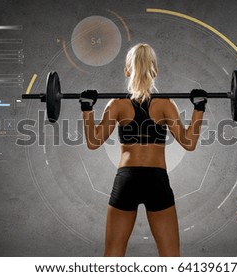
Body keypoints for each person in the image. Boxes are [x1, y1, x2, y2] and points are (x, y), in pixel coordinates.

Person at [79, 43, 206, 256]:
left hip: (127, 180)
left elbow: (93, 142)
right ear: (155, 70)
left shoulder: (117, 104)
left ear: (127, 70)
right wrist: (199, 108)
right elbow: (189, 143)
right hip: (156, 180)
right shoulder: (165, 104)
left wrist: (87, 108)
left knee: (113, 255)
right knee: (170, 257)